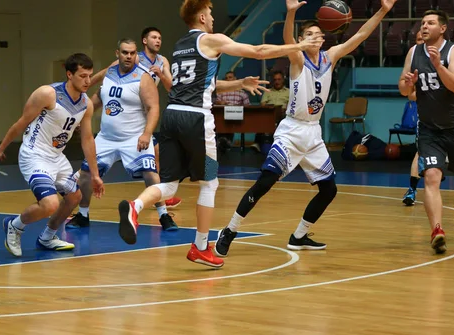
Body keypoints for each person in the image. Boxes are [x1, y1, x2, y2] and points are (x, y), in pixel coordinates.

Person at [116, 0, 323, 268]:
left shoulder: (179, 47)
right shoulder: (211, 39)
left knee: (169, 185)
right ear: (202, 17)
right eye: (211, 13)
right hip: (196, 119)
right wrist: (300, 46)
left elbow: (208, 85)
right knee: (210, 183)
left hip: (171, 117)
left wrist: (239, 83)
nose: (213, 18)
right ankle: (201, 246)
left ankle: (135, 207)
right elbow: (258, 51)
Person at [214, 0, 397, 257]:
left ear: (323, 39)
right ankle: (230, 231)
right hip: (291, 130)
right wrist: (291, 13)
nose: (314, 38)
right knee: (265, 182)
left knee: (329, 189)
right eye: (308, 35)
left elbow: (361, 35)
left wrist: (383, 11)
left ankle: (299, 235)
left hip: (313, 132)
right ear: (301, 40)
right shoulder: (297, 58)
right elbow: (288, 36)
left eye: (317, 34)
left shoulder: (331, 57)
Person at [0, 53, 104, 257]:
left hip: (57, 157)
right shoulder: (47, 94)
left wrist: (95, 175)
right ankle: (14, 226)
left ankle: (47, 237)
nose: (88, 81)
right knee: (50, 204)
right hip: (34, 155)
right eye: (82, 76)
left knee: (74, 197)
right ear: (69, 74)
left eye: (90, 76)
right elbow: (21, 122)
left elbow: (87, 139)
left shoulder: (85, 104)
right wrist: (1, 149)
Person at [66, 39, 178, 231]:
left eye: (132, 53)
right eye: (125, 52)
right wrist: (79, 116)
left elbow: (154, 108)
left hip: (134, 137)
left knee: (151, 175)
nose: (129, 56)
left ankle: (164, 216)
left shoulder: (143, 78)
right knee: (85, 175)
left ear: (136, 54)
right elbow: (97, 99)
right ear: (117, 53)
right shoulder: (109, 72)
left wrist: (147, 133)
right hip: (106, 138)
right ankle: (83, 215)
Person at [399, 9, 454, 254]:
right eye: (422, 23)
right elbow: (404, 90)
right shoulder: (413, 52)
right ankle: (437, 230)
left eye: (431, 23)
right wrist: (407, 83)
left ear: (443, 28)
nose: (424, 26)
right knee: (431, 177)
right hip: (429, 129)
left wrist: (437, 65)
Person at [88, 27, 182, 209]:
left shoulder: (163, 61)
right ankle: (159, 197)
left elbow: (171, 88)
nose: (158, 41)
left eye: (160, 38)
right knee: (154, 153)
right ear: (145, 41)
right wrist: (85, 84)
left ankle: (158, 195)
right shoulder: (134, 57)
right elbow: (107, 71)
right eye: (154, 37)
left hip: (144, 108)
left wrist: (161, 74)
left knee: (156, 154)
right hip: (128, 108)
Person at [402, 29, 424, 206]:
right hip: (426, 117)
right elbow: (409, 95)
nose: (420, 42)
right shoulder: (414, 63)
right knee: (420, 152)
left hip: (451, 117)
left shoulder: (446, 57)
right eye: (417, 39)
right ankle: (411, 190)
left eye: (423, 39)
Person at [214, 70, 251, 151]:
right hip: (222, 117)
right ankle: (223, 143)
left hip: (237, 117)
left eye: (230, 77)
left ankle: (225, 143)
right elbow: (215, 104)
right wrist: (220, 102)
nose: (228, 80)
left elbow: (248, 107)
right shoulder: (221, 93)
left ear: (235, 79)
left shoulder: (242, 93)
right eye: (226, 78)